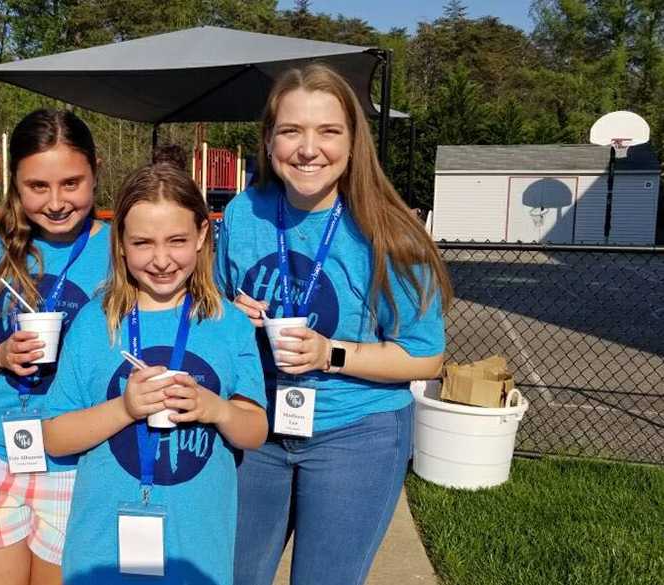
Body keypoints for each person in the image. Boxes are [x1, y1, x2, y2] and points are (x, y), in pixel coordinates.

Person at [215, 63, 453, 585]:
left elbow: (425, 355)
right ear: (269, 139)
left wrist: (330, 354)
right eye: (291, 130)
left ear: (352, 141)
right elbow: (207, 314)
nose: (308, 149)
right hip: (257, 427)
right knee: (233, 576)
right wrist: (228, 320)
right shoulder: (242, 215)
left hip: (357, 433)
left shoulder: (391, 232)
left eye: (328, 131)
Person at [42, 164, 268, 585]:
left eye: (177, 241)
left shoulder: (228, 323)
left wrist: (214, 408)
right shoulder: (95, 323)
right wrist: (125, 408)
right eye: (143, 243)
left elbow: (254, 430)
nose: (161, 260)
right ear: (121, 246)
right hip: (101, 552)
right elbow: (55, 435)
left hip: (197, 553)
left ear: (202, 235)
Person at [0, 109, 110, 585]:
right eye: (38, 186)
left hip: (77, 463)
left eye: (71, 183)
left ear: (96, 170)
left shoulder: (122, 252)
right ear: (15, 182)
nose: (56, 202)